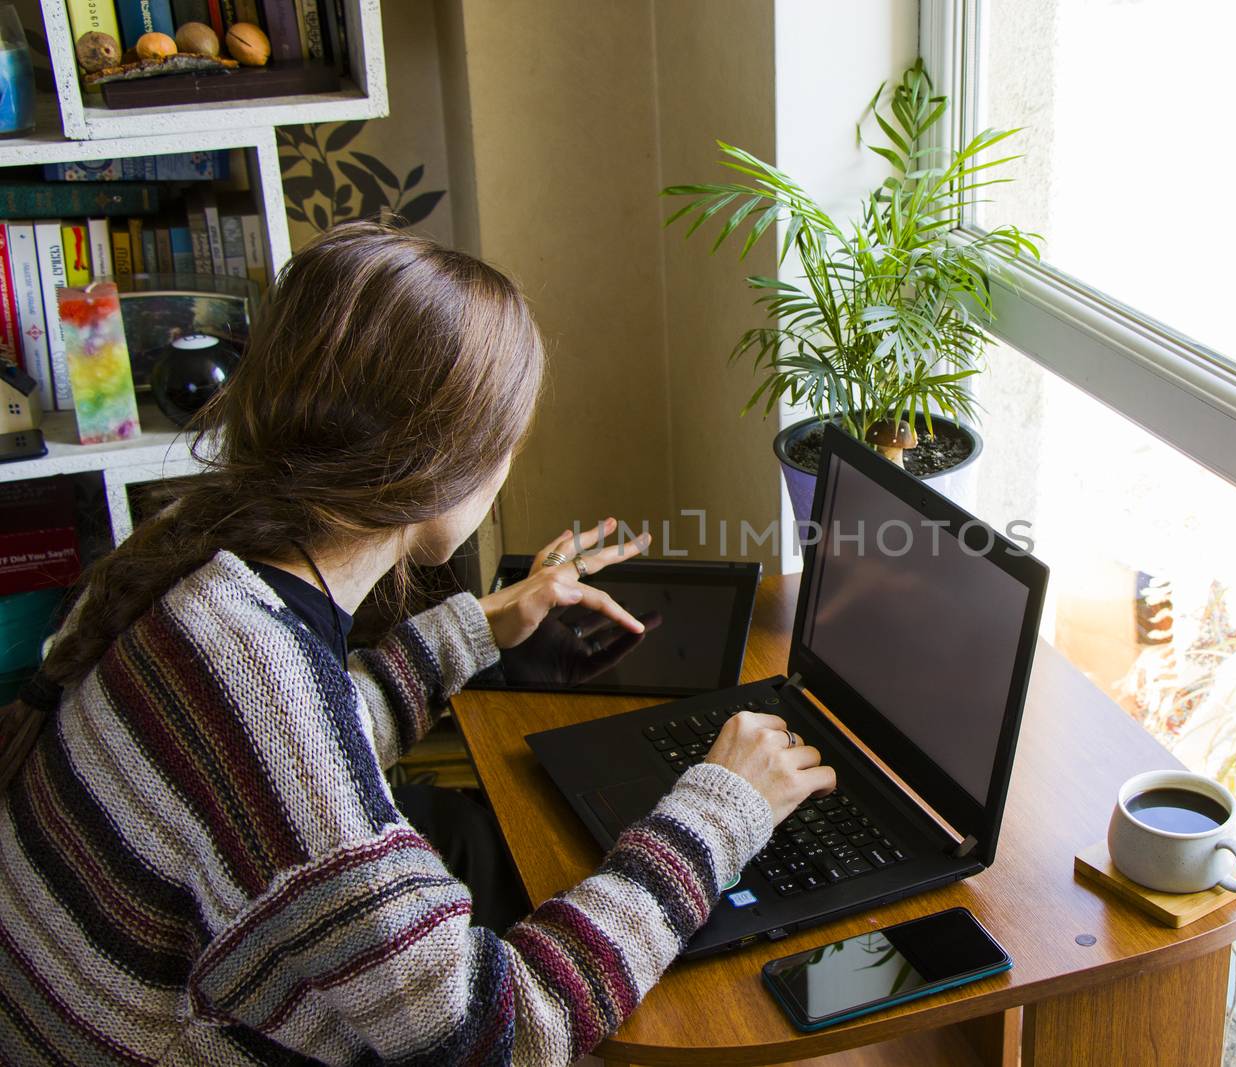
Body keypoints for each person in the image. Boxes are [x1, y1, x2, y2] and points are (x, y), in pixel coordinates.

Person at [0, 221, 834, 1065]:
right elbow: (503, 1033)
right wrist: (721, 808)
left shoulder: (205, 567)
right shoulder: (268, 699)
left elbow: (269, 766)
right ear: (443, 462)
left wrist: (478, 626)